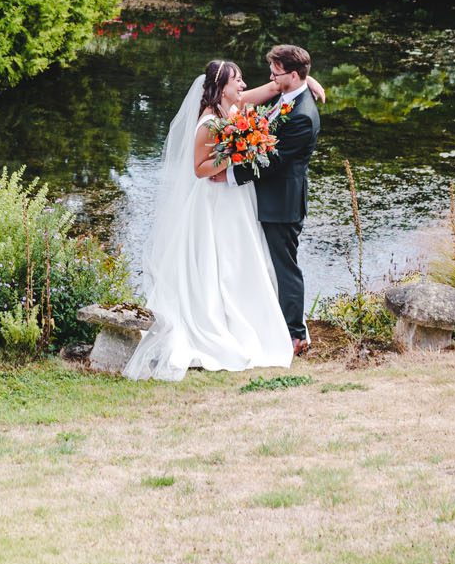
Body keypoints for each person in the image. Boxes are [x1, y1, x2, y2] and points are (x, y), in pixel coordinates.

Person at [122, 56, 325, 381]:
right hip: (214, 200)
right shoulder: (207, 122)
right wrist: (232, 158)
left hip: (238, 199)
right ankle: (222, 322)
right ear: (222, 87)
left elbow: (275, 87)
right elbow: (200, 169)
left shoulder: (234, 107)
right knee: (221, 263)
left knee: (244, 260)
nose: (243, 86)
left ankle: (259, 321)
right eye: (237, 80)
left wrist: (308, 82)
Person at [233, 44, 319, 354]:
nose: (271, 77)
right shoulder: (288, 97)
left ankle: (295, 334)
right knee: (270, 265)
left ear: (294, 76)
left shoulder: (303, 116)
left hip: (282, 203)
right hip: (271, 199)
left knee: (285, 268)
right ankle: (275, 323)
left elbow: (273, 161)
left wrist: (231, 174)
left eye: (275, 73)